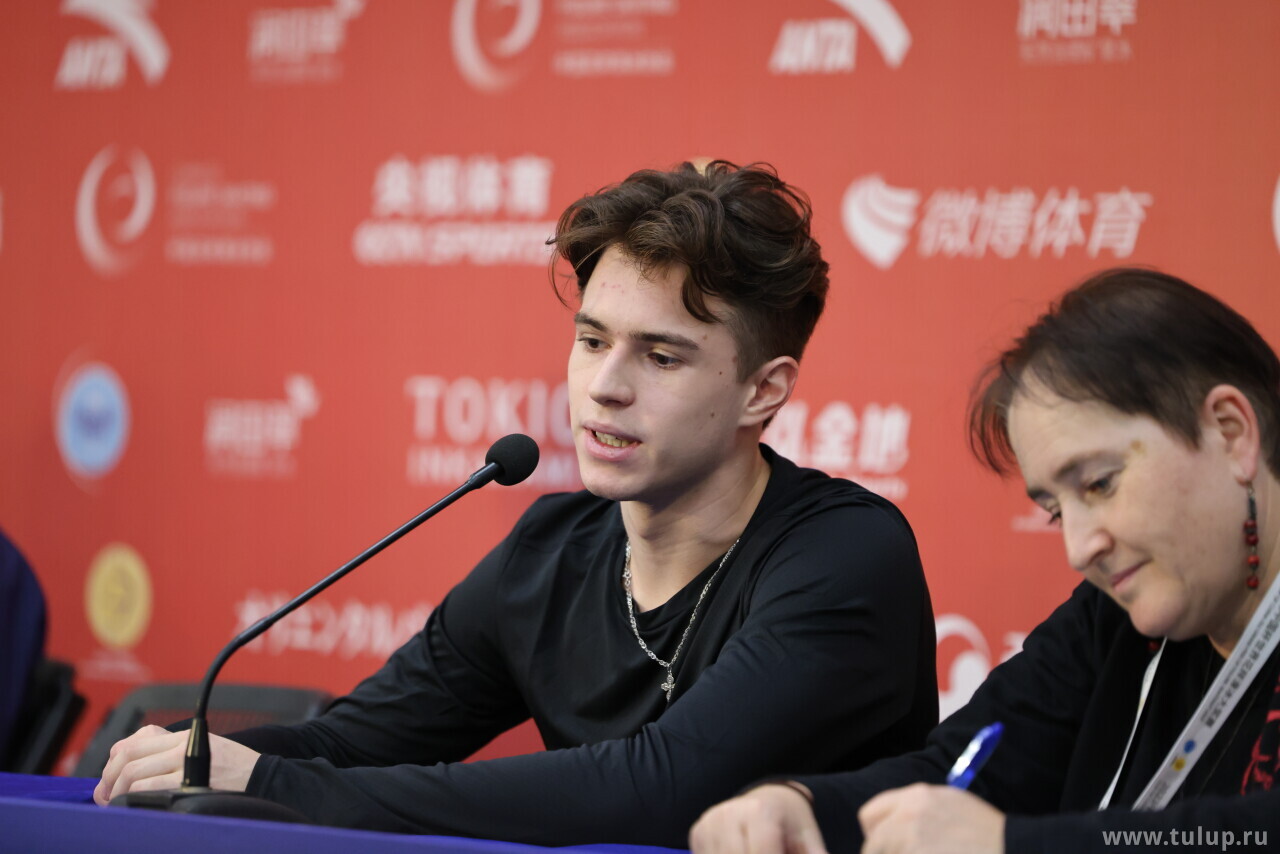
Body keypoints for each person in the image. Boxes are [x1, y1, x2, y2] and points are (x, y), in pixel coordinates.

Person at [95, 161, 937, 846]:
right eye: (592, 340)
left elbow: (662, 789)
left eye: (661, 357)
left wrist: (280, 786)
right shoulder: (550, 551)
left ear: (763, 391)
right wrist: (206, 759)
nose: (605, 387)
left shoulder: (845, 557)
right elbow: (355, 741)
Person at [691, 268, 1280, 854]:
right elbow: (960, 770)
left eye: (1100, 484)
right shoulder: (1110, 620)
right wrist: (798, 806)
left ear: (1230, 432)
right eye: (1055, 511)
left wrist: (1009, 844)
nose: (1080, 548)